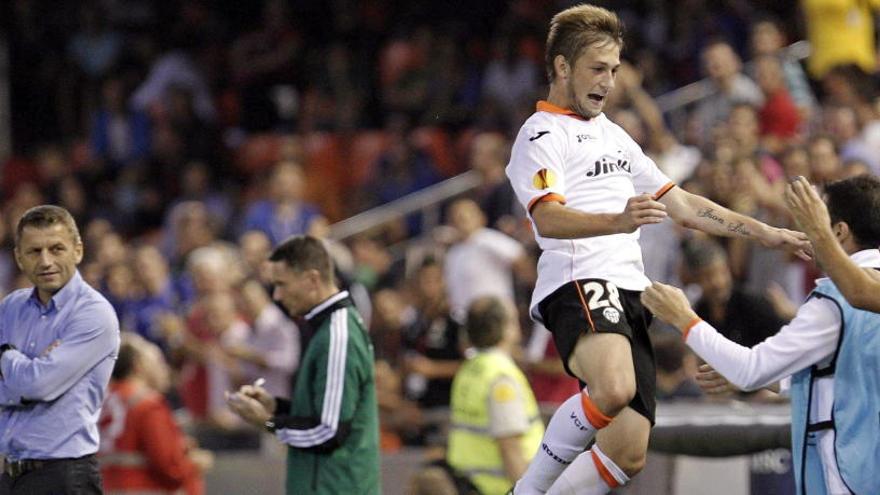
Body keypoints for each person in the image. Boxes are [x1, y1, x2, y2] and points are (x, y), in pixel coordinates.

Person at [504, 5, 810, 494]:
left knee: (628, 452)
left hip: (631, 293)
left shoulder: (615, 135)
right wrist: (618, 220)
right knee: (614, 388)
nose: (609, 82)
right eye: (597, 69)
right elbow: (547, 217)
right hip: (581, 276)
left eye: (615, 70)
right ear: (562, 67)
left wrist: (765, 232)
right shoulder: (541, 135)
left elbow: (684, 204)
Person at [641, 174, 880, 494]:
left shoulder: (832, 302)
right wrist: (769, 377)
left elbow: (750, 369)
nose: (808, 232)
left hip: (852, 474)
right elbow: (843, 374)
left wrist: (684, 319)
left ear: (838, 230)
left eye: (816, 219)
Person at [225, 235, 379, 495]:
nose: (277, 295)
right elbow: (325, 412)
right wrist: (275, 406)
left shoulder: (338, 334)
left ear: (312, 280)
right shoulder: (327, 328)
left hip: (335, 488)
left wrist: (268, 422)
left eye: (282, 284)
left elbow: (328, 432)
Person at [0, 205, 120, 494]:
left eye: (56, 249)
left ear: (77, 251)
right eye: (34, 251)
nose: (45, 261)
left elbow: (39, 385)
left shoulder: (93, 313)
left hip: (65, 476)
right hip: (10, 475)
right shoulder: (11, 307)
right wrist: (28, 375)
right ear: (19, 257)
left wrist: (5, 355)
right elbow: (33, 382)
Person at [447, 297, 544, 495]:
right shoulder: (501, 378)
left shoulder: (469, 369)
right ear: (505, 329)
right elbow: (510, 449)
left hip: (469, 485)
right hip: (499, 489)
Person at [99, 333, 213, 495]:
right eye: (159, 362)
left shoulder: (104, 403)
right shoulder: (148, 405)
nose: (165, 369)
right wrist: (194, 464)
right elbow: (170, 470)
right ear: (139, 365)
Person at [786, 175, 880, 313]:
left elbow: (861, 294)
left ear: (839, 232)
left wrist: (818, 232)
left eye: (821, 219)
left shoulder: (830, 298)